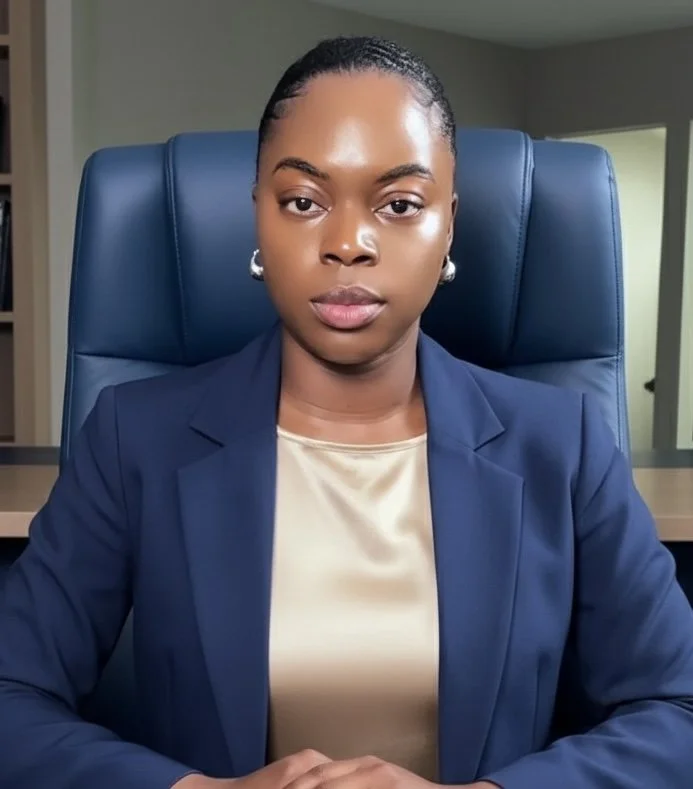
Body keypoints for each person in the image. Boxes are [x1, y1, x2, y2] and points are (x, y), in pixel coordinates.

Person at [0, 34, 692, 789]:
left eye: (399, 204)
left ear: (448, 224)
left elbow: (677, 706)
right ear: (257, 216)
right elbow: (11, 697)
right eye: (303, 200)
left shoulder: (563, 446)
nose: (348, 243)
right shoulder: (135, 439)